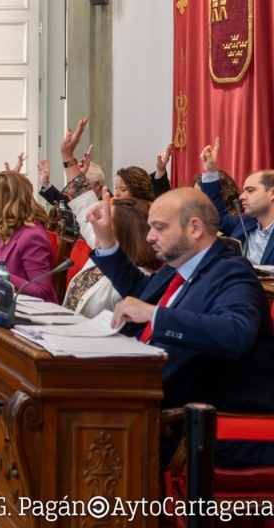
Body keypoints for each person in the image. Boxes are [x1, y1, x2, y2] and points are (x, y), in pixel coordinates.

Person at [86, 188, 274, 468]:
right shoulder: (179, 266)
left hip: (203, 425)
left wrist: (156, 315)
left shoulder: (232, 271)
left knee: (84, 428)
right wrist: (107, 240)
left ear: (195, 227)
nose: (149, 236)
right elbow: (143, 293)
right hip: (163, 403)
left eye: (159, 227)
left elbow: (236, 333)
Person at [0, 169, 57, 302]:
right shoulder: (7, 228)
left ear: (5, 201)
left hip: (29, 313)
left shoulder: (32, 236)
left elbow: (40, 290)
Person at [63, 197, 159, 317]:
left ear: (124, 233)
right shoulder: (103, 256)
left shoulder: (136, 277)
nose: (99, 224)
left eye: (107, 221)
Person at [200, 138, 274, 266]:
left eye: (250, 191)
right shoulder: (246, 222)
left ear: (272, 193)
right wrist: (211, 171)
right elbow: (218, 217)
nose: (241, 197)